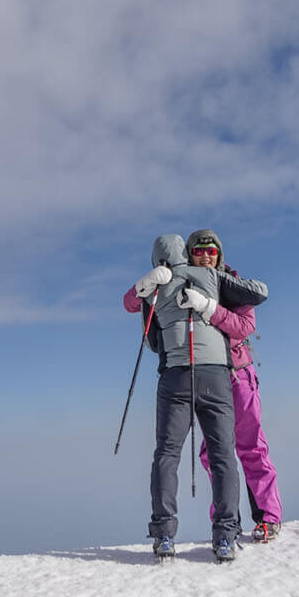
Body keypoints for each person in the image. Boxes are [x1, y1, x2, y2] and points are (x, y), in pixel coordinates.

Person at [124, 234, 269, 562]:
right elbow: (260, 292)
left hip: (174, 377)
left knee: (167, 454)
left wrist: (145, 286)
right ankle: (225, 536)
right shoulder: (212, 277)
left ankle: (163, 535)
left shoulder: (153, 286)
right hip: (216, 375)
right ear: (188, 254)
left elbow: (149, 336)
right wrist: (209, 305)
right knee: (223, 456)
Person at [184, 229, 283, 544]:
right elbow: (134, 304)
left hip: (238, 374)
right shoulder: (182, 286)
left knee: (251, 446)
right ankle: (227, 520)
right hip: (205, 377)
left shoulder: (233, 284)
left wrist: (208, 309)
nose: (206, 256)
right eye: (199, 251)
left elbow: (244, 327)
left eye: (212, 251)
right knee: (212, 452)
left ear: (219, 254)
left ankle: (268, 517)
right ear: (190, 254)